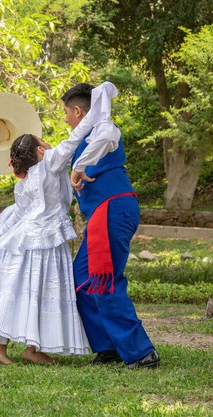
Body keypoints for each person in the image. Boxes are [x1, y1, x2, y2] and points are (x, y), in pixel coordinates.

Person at [0, 124, 96, 364]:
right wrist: (97, 109)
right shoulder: (50, 161)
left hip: (24, 239)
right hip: (48, 239)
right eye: (44, 141)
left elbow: (20, 213)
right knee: (43, 290)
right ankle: (31, 348)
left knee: (19, 290)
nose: (49, 144)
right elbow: (74, 139)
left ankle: (0, 346)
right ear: (40, 149)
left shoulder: (24, 180)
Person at [62, 81, 160, 369]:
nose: (65, 119)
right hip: (102, 216)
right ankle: (108, 347)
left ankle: (141, 352)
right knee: (81, 281)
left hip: (112, 210)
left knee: (105, 280)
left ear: (79, 111)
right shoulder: (82, 138)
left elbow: (103, 139)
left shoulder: (105, 129)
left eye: (66, 113)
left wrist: (80, 166)